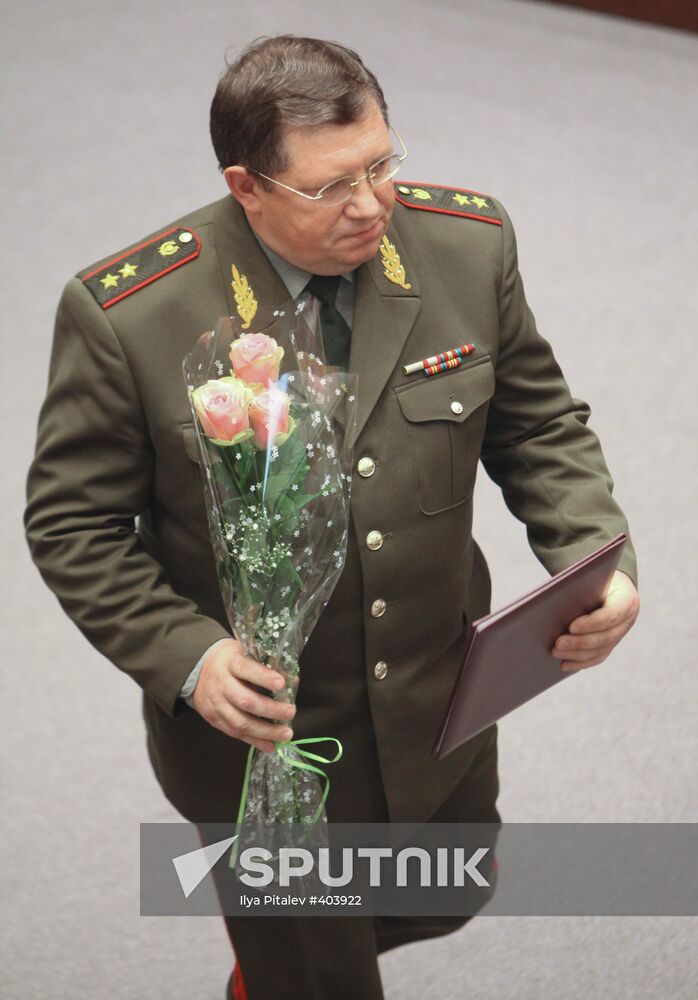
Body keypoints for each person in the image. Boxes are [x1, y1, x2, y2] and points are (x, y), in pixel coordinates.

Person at [24, 35, 639, 1000]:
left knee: (444, 889)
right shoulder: (131, 316)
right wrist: (189, 658)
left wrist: (596, 557)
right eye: (331, 187)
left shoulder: (465, 246)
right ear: (248, 186)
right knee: (315, 973)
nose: (371, 204)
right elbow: (71, 525)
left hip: (436, 700)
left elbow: (539, 422)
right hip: (266, 738)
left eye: (381, 164)